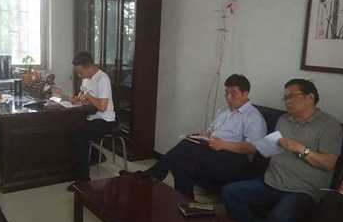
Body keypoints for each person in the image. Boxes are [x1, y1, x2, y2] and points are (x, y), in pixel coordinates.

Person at [221, 79, 343, 222]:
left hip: (302, 191)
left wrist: (300, 148)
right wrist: (263, 146)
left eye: (291, 97)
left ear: (310, 97)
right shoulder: (284, 120)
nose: (287, 102)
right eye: (285, 98)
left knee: (279, 218)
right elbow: (272, 148)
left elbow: (328, 163)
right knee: (230, 192)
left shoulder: (329, 125)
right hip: (271, 181)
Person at [120, 74, 267, 198]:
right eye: (226, 92)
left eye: (233, 93)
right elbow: (212, 133)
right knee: (181, 161)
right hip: (215, 152)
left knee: (185, 146)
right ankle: (185, 201)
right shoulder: (223, 111)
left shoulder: (253, 116)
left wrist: (223, 145)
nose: (228, 97)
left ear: (245, 94)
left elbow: (253, 148)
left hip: (235, 162)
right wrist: (202, 135)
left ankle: (150, 176)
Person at [67, 51, 116, 191]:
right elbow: (82, 95)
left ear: (89, 67)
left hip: (105, 121)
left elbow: (102, 107)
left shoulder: (102, 79)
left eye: (80, 72)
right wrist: (76, 100)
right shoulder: (86, 78)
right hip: (91, 117)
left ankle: (83, 180)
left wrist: (88, 96)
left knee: (79, 134)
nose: (79, 75)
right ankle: (95, 156)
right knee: (70, 128)